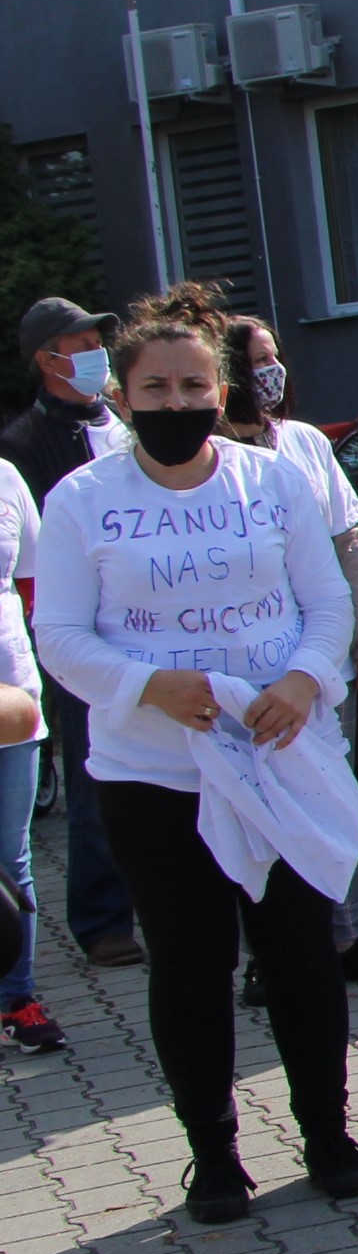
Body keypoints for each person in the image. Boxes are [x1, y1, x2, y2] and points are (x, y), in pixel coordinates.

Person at [31, 300, 358, 1219]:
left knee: (301, 953)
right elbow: (57, 635)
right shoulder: (82, 500)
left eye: (193, 385)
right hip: (154, 775)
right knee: (189, 965)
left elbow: (326, 604)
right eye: (156, 388)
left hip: (278, 755)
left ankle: (328, 1133)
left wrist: (304, 680)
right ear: (123, 396)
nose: (176, 402)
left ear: (220, 393)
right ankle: (214, 1155)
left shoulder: (275, 481)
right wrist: (148, 685)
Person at [214, 309, 358, 999]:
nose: (270, 372)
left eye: (275, 357)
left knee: (330, 798)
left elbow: (345, 544)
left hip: (319, 659)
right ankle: (266, 956)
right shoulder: (211, 455)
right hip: (247, 664)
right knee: (256, 807)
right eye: (255, 361)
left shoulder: (302, 442)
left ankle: (343, 937)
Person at [2, 297, 139, 970]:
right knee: (93, 776)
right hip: (82, 630)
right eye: (79, 345)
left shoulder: (128, 428)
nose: (94, 355)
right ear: (46, 359)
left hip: (149, 616)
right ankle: (103, 918)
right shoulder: (22, 445)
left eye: (96, 342)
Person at [0, 462, 60, 1054]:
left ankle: (17, 1000)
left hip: (11, 703)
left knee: (12, 859)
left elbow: (34, 585)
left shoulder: (7, 479)